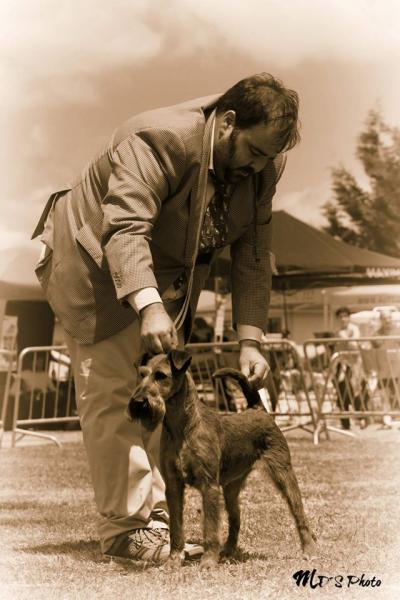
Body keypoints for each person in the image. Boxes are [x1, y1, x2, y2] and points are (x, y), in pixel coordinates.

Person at [32, 73, 300, 563]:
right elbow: (126, 227)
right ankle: (126, 530)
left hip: (165, 276)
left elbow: (254, 254)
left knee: (161, 401)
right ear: (228, 123)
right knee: (116, 393)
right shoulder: (156, 138)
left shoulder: (262, 168)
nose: (262, 167)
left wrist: (251, 341)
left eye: (269, 159)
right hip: (93, 262)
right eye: (255, 152)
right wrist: (150, 305)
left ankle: (157, 518)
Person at [333, 306, 365, 430]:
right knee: (342, 394)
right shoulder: (337, 331)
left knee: (355, 392)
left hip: (354, 365)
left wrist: (343, 338)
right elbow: (337, 348)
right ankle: (345, 423)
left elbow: (354, 345)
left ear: (349, 317)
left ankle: (362, 419)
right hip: (341, 364)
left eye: (345, 316)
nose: (343, 319)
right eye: (340, 316)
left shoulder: (354, 329)